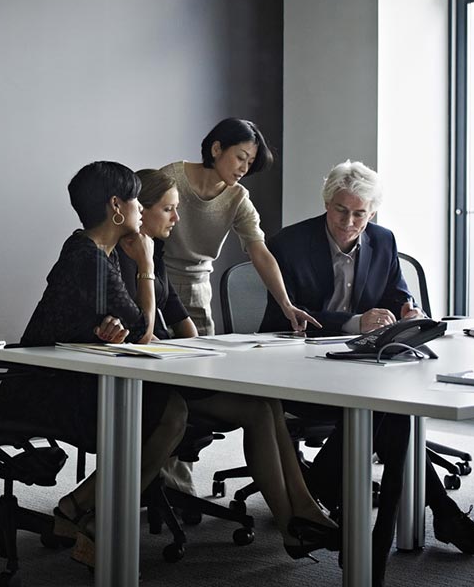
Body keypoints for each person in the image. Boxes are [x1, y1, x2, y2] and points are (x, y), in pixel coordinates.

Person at [259, 160, 474, 585]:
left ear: (372, 212)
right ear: (327, 203)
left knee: (393, 413)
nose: (350, 222)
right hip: (299, 368)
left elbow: (396, 292)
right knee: (393, 417)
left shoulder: (382, 239)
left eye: (361, 213)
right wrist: (355, 323)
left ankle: (358, 519)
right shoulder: (290, 243)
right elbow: (283, 320)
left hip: (361, 365)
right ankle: (429, 520)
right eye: (341, 211)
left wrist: (409, 309)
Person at [116, 168, 340, 559]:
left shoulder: (156, 247)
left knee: (266, 403)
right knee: (256, 409)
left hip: (172, 368)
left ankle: (301, 512)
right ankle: (293, 523)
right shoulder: (126, 256)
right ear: (141, 210)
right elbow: (143, 332)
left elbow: (172, 307)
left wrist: (204, 348)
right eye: (168, 209)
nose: (177, 218)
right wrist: (146, 267)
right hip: (147, 382)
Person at [0, 161, 188, 568]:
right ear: (117, 207)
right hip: (42, 389)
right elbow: (143, 331)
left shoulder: (90, 251)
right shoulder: (88, 255)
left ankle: (87, 510)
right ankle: (94, 516)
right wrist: (147, 266)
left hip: (65, 379)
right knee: (166, 411)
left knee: (167, 408)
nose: (140, 209)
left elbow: (117, 325)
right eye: (136, 200)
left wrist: (109, 327)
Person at [160, 117, 319, 336]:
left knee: (200, 363)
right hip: (157, 283)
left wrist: (286, 304)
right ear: (217, 149)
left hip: (198, 291)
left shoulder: (238, 198)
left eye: (250, 162)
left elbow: (260, 252)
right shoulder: (170, 179)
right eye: (240, 158)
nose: (244, 168)